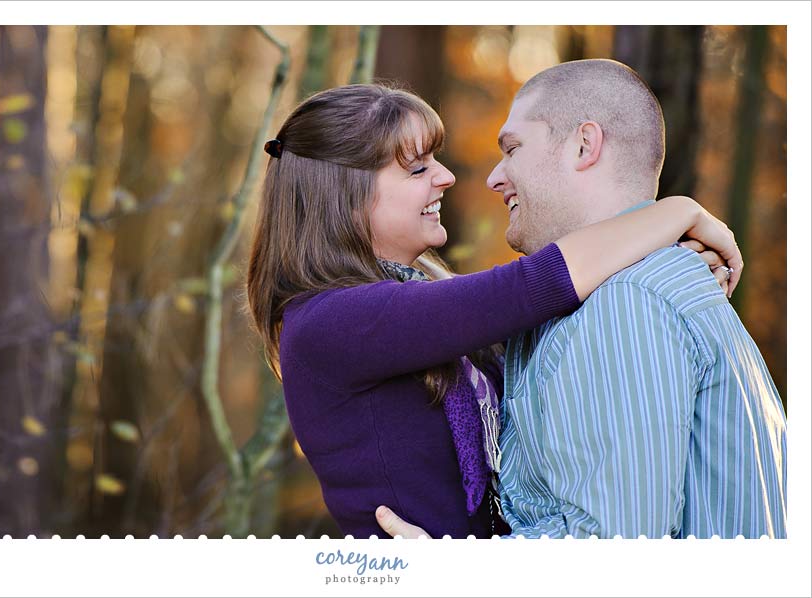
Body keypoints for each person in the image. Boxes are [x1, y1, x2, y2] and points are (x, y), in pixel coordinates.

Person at [246, 83, 741, 539]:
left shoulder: (408, 299)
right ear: (345, 197)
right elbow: (533, 287)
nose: (446, 177)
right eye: (417, 168)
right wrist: (678, 212)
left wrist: (653, 254)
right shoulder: (334, 321)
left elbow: (546, 322)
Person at [375, 60, 786, 539]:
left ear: (584, 145)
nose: (494, 177)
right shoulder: (625, 290)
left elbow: (612, 551)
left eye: (512, 149)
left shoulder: (625, 301)